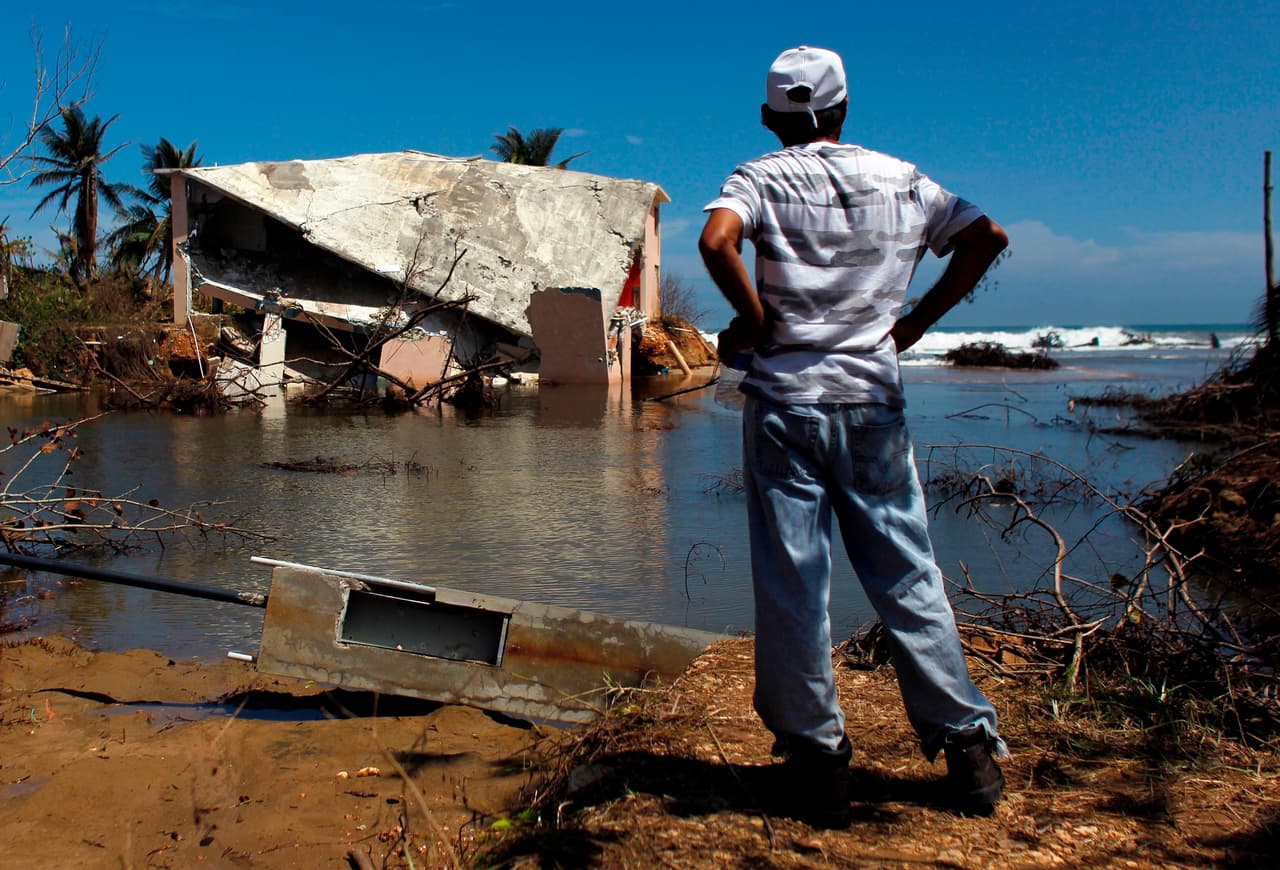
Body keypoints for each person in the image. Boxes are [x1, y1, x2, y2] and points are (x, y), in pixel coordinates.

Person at [699, 45, 1010, 823]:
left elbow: (716, 242)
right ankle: (967, 751)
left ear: (772, 119)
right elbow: (987, 237)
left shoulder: (758, 177)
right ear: (842, 113)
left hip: (785, 405)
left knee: (794, 582)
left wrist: (756, 320)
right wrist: (911, 327)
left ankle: (818, 763)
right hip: (871, 403)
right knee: (907, 572)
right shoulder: (903, 178)